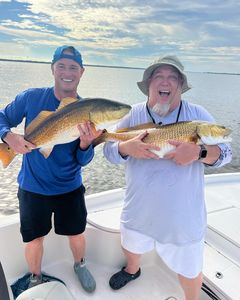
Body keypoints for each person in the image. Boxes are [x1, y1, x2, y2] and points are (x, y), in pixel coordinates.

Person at [103, 55, 232, 300]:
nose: (166, 82)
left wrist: (199, 152)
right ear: (149, 84)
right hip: (139, 207)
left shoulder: (198, 116)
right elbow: (109, 150)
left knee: (190, 267)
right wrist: (124, 149)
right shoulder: (131, 115)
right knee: (130, 244)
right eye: (159, 76)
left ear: (181, 85)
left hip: (181, 215)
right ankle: (133, 269)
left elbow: (226, 153)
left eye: (173, 77)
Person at [0, 45, 101, 293]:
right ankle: (35, 277)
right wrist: (8, 137)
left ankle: (80, 265)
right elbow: (1, 118)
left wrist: (87, 143)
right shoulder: (31, 97)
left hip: (70, 186)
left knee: (77, 233)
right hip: (33, 186)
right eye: (62, 66)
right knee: (34, 239)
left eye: (73, 67)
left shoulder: (87, 110)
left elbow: (83, 160)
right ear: (53, 69)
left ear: (82, 72)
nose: (67, 72)